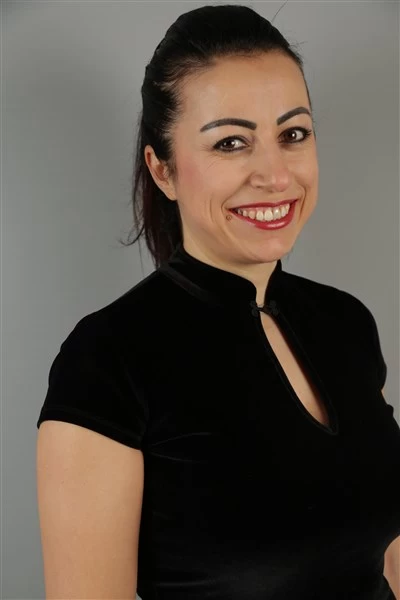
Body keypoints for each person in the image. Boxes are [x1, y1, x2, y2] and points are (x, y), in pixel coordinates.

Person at [36, 4, 400, 599]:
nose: (275, 175)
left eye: (293, 134)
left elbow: (387, 556)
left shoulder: (348, 324)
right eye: (231, 143)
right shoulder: (107, 362)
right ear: (163, 170)